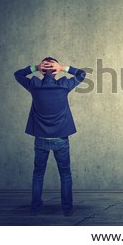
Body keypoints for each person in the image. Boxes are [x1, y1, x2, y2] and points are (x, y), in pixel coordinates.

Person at [14, 57, 86, 216]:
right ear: (55, 71)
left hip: (40, 139)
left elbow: (18, 74)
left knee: (38, 174)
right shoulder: (63, 85)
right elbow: (82, 74)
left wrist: (34, 67)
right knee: (65, 174)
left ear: (42, 71)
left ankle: (35, 208)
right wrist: (63, 68)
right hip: (61, 139)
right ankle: (67, 209)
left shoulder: (34, 85)